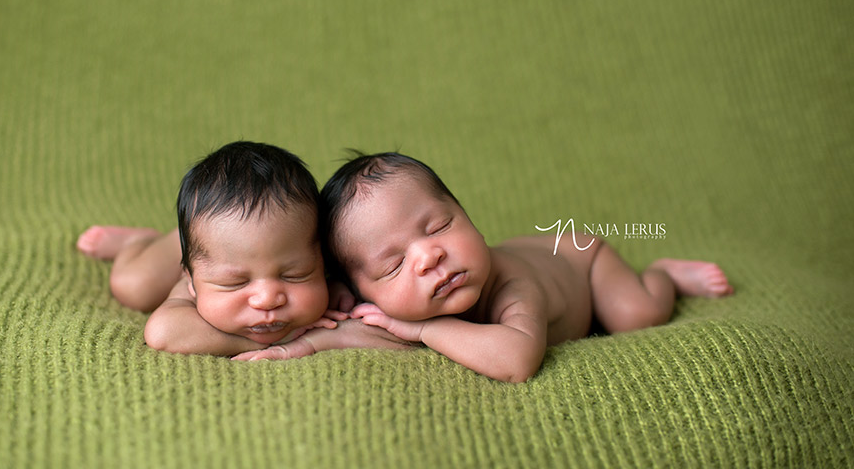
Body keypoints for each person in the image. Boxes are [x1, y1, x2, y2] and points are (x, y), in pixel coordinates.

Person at [319, 152, 734, 383]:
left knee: (636, 314)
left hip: (582, 260)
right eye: (394, 265)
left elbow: (517, 360)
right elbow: (347, 330)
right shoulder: (378, 302)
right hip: (544, 250)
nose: (429, 257)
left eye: (440, 226)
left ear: (468, 217)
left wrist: (423, 329)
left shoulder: (513, 287)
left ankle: (663, 275)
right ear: (361, 293)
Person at [77, 141, 406, 358]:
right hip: (196, 248)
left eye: (295, 275)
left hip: (236, 243)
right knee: (134, 287)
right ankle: (144, 241)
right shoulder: (191, 286)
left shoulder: (326, 274)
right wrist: (280, 340)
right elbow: (163, 333)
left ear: (323, 262)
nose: (267, 299)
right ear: (191, 280)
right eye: (235, 283)